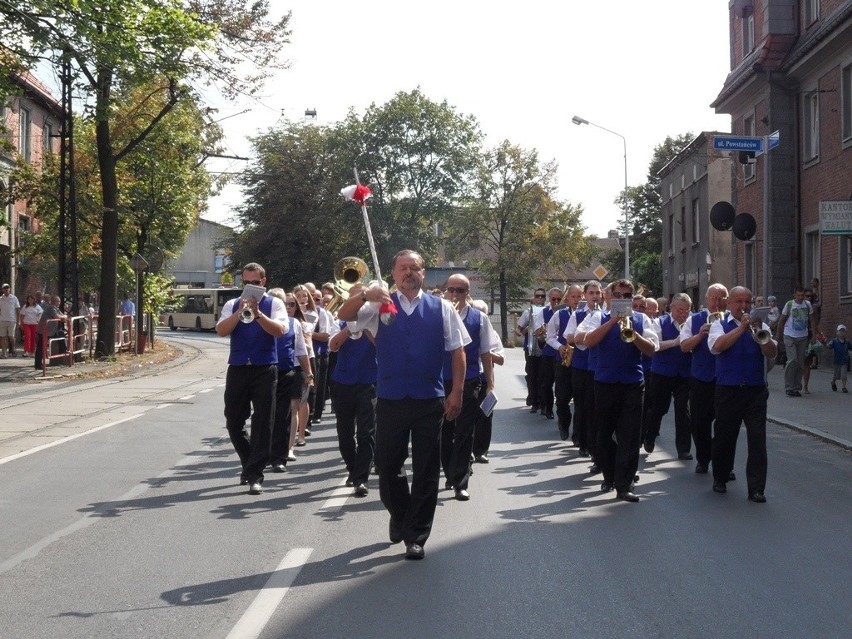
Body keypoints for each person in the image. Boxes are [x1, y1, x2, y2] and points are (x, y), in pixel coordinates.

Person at [338, 249, 469, 561]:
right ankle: (399, 514)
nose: (409, 273)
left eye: (415, 268)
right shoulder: (379, 304)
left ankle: (416, 535)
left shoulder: (442, 308)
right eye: (403, 268)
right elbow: (343, 316)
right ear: (393, 273)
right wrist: (365, 295)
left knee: (426, 469)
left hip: (429, 399)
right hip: (390, 398)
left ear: (423, 273)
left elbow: (458, 351)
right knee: (387, 466)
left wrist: (457, 392)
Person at [575, 279, 659, 502]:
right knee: (603, 434)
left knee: (630, 435)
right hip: (605, 382)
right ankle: (609, 475)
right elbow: (587, 341)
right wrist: (612, 322)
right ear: (609, 297)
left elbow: (651, 350)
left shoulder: (642, 319)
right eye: (618, 295)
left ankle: (624, 484)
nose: (623, 300)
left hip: (633, 382)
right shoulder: (597, 316)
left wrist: (634, 333)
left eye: (627, 296)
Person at [215, 263, 286, 496]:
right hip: (238, 367)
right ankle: (249, 462)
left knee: (263, 420)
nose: (251, 287)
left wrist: (258, 315)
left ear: (263, 282)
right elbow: (222, 330)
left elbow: (280, 330)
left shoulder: (274, 303)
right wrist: (240, 312)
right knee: (233, 421)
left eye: (255, 283)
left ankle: (255, 475)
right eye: (246, 283)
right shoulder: (231, 304)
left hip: (265, 367)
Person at [708, 286, 777, 503]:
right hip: (728, 390)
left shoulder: (761, 326)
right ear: (729, 304)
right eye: (739, 302)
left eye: (748, 302)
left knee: (757, 441)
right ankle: (720, 477)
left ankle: (756, 489)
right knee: (725, 436)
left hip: (755, 391)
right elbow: (717, 347)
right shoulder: (719, 324)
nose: (744, 306)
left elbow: (772, 352)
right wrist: (741, 329)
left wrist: (760, 336)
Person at [440, 274, 496, 501]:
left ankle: (460, 481)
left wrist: (490, 383)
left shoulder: (480, 319)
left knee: (465, 432)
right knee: (444, 432)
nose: (454, 294)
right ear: (445, 291)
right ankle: (449, 472)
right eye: (451, 290)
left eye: (460, 291)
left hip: (470, 380)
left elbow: (486, 352)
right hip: (441, 380)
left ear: (467, 293)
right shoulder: (438, 314)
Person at [679, 284, 728, 474]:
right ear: (707, 299)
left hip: (725, 379)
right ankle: (703, 458)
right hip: (701, 378)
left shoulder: (732, 320)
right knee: (699, 422)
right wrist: (700, 335)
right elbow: (684, 346)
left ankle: (723, 464)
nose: (717, 302)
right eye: (714, 298)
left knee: (725, 424)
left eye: (721, 298)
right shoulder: (694, 320)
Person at [329, 319, 378, 496]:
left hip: (369, 381)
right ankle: (352, 468)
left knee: (366, 432)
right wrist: (349, 327)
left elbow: (383, 346)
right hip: (343, 382)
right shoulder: (339, 322)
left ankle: (361, 478)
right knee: (344, 432)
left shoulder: (374, 323)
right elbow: (333, 346)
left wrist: (365, 328)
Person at [643, 292, 693, 459]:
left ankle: (683, 449)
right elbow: (654, 346)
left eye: (687, 310)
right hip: (662, 373)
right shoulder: (659, 322)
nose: (684, 314)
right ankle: (649, 438)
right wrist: (674, 342)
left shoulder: (692, 322)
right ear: (671, 308)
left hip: (684, 373)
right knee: (658, 408)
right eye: (680, 310)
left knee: (683, 410)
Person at [267, 288, 310, 474]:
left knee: (284, 414)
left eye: (284, 303)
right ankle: (262, 453)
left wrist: (308, 373)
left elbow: (301, 350)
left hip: (286, 371)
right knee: (265, 415)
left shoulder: (294, 324)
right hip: (264, 372)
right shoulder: (259, 320)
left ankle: (279, 457)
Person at [564, 280, 603, 459]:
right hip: (581, 365)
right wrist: (588, 337)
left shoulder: (606, 314)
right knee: (581, 405)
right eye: (591, 293)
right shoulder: (578, 315)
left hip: (599, 366)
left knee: (596, 406)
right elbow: (570, 337)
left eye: (597, 293)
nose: (595, 296)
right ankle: (581, 440)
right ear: (585, 295)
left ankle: (594, 442)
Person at [545, 284, 582, 441]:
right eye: (573, 296)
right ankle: (564, 424)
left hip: (581, 362)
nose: (576, 299)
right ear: (567, 298)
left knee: (581, 400)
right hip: (564, 360)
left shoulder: (589, 315)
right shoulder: (559, 314)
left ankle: (578, 434)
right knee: (561, 398)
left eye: (579, 296)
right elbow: (550, 336)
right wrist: (559, 347)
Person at [470, 299, 504, 464]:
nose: (480, 315)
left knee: (485, 415)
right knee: (466, 416)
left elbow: (501, 359)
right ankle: (467, 449)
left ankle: (481, 451)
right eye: (476, 311)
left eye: (483, 312)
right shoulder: (465, 329)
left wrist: (487, 352)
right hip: (468, 378)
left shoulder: (492, 334)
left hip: (484, 378)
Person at [776, 287, 815, 397]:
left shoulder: (807, 305)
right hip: (789, 336)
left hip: (803, 337)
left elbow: (812, 320)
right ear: (794, 295)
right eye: (798, 295)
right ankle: (789, 387)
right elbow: (781, 321)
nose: (801, 297)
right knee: (792, 360)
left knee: (800, 363)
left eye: (802, 295)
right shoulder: (789, 305)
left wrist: (814, 336)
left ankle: (796, 388)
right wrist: (778, 337)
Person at [535, 287, 564, 420]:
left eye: (559, 299)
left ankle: (560, 410)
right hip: (548, 352)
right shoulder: (544, 312)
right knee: (546, 383)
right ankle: (547, 406)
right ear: (549, 299)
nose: (557, 302)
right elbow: (538, 329)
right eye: (554, 299)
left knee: (561, 385)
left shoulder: (566, 312)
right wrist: (541, 331)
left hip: (562, 352)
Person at [516, 288, 546, 412]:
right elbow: (518, 331)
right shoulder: (528, 312)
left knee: (543, 376)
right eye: (537, 296)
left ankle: (543, 401)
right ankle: (534, 401)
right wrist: (526, 329)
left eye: (542, 296)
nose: (539, 298)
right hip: (531, 349)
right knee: (532, 375)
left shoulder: (548, 311)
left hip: (544, 349)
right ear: (533, 298)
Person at [35, 295, 66, 370]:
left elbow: (63, 316)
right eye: (57, 301)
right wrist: (62, 317)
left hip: (50, 331)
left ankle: (64, 353)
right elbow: (56, 316)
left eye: (59, 301)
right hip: (43, 331)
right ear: (53, 301)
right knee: (41, 347)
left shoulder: (56, 308)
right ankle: (38, 364)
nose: (58, 303)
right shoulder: (51, 308)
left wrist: (63, 317)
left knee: (61, 336)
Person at [826, 324, 850, 393]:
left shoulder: (847, 342)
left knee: (844, 375)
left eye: (843, 331)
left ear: (845, 332)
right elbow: (829, 346)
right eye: (840, 331)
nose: (842, 332)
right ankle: (833, 382)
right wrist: (827, 345)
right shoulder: (834, 341)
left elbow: (851, 348)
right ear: (837, 332)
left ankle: (844, 387)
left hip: (844, 361)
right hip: (837, 361)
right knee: (836, 376)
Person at [0, 283, 21, 358]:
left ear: (9, 289)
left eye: (7, 288)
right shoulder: (0, 299)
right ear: (2, 289)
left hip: (12, 320)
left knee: (11, 336)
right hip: (2, 320)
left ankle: (13, 350)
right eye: (4, 288)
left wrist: (19, 321)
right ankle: (4, 353)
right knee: (2, 337)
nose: (6, 289)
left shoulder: (14, 298)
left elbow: (18, 310)